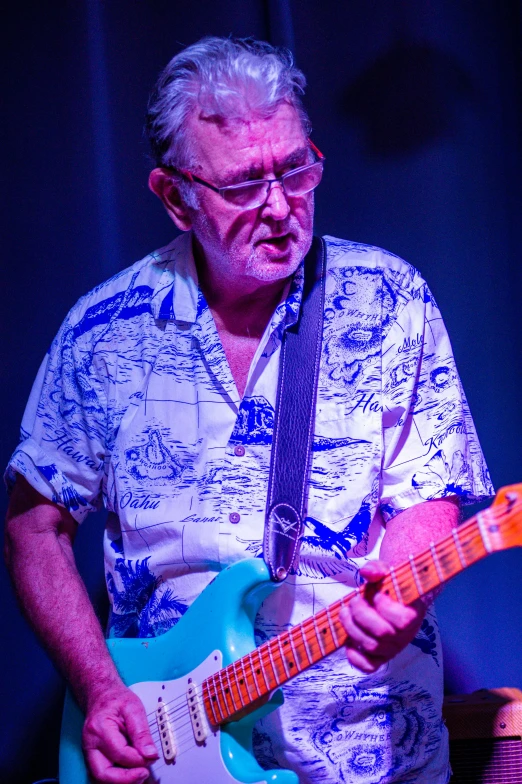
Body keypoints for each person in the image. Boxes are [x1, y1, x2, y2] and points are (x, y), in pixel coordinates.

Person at [4, 37, 492, 784]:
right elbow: (33, 527)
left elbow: (433, 491)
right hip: (167, 756)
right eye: (241, 185)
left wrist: (399, 594)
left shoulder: (389, 299)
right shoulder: (102, 333)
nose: (279, 206)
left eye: (295, 168)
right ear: (174, 196)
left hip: (367, 752)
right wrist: (100, 691)